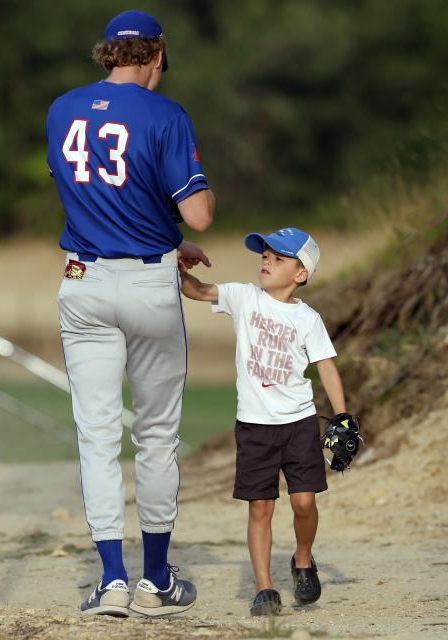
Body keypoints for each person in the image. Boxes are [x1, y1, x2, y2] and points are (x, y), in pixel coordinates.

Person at [46, 9, 215, 618]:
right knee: (156, 438)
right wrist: (181, 224)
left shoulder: (62, 108)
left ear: (107, 54)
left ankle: (111, 581)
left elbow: (97, 193)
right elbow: (197, 214)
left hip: (83, 280)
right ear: (158, 54)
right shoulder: (166, 115)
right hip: (148, 285)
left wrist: (163, 239)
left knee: (96, 437)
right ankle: (156, 581)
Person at [179, 227, 348, 616]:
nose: (266, 262)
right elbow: (197, 290)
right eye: (264, 256)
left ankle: (302, 560)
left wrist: (341, 417)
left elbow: (326, 366)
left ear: (301, 274)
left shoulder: (308, 318)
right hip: (255, 424)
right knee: (260, 507)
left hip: (300, 421)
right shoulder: (244, 297)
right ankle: (265, 588)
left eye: (278, 258)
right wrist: (177, 264)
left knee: (304, 502)